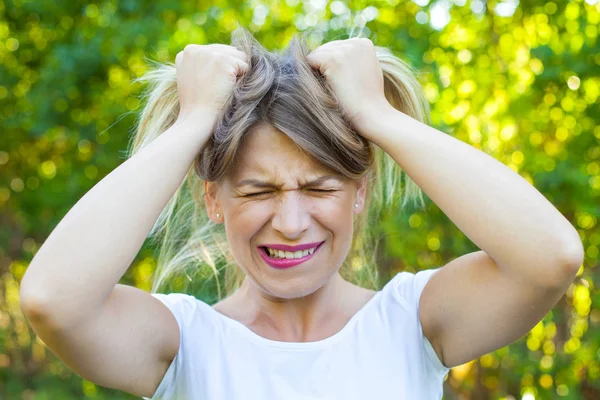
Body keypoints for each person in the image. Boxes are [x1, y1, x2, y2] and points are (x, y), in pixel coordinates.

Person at [19, 26, 583, 400]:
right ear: (213, 198)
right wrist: (195, 122)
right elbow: (53, 301)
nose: (290, 222)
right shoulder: (182, 342)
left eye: (320, 187)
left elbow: (550, 257)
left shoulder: (412, 322)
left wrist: (374, 115)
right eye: (258, 192)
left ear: (360, 193)